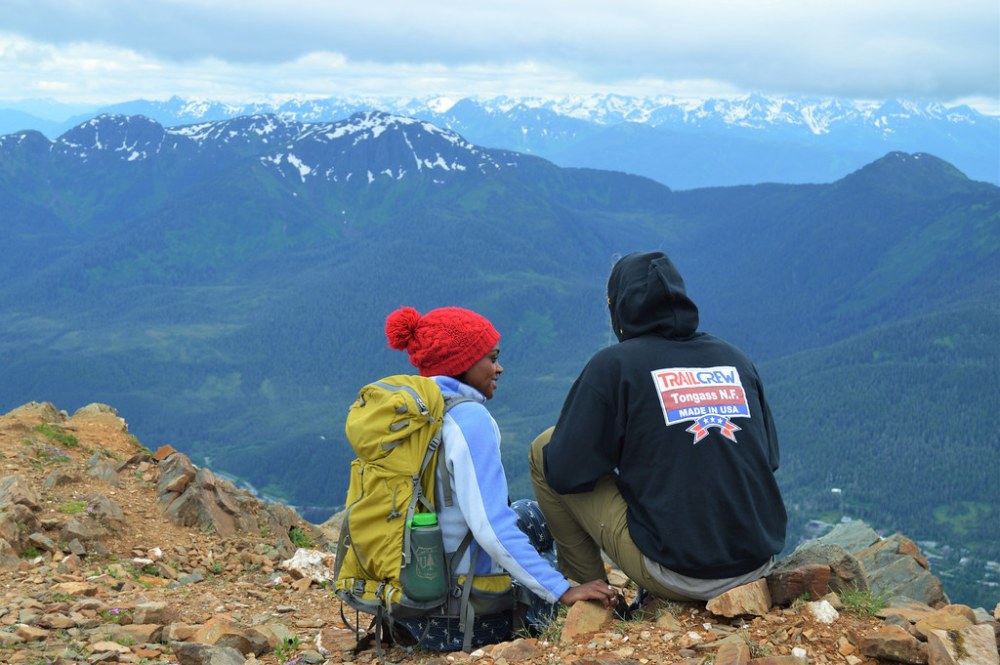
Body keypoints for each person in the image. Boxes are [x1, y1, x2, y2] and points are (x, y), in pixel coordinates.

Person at [529, 251, 787, 604]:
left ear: (618, 306)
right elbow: (768, 459)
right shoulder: (735, 358)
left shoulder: (614, 365)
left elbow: (563, 471)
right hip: (759, 561)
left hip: (680, 574)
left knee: (543, 449)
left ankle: (592, 600)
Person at [385, 305, 616, 649]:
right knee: (537, 520)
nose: (499, 367)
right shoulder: (469, 419)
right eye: (491, 358)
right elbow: (491, 527)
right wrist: (562, 590)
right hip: (464, 622)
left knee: (528, 512)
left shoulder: (406, 412)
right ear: (462, 363)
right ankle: (549, 609)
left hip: (405, 611)